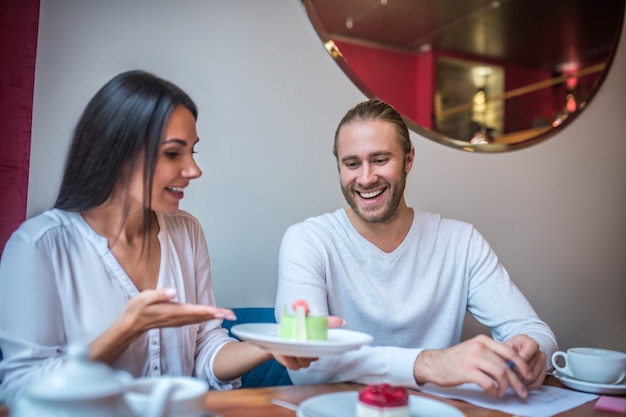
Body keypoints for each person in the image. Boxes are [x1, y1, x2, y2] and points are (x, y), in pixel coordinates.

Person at [0, 70, 315, 397]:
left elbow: (206, 349)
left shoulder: (187, 232)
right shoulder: (38, 246)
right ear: (116, 153)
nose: (194, 170)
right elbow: (22, 388)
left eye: (192, 151)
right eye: (172, 153)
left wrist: (275, 345)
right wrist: (129, 327)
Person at [275, 99, 558, 399]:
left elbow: (533, 329)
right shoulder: (308, 241)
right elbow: (304, 363)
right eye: (352, 163)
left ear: (408, 160)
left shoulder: (460, 242)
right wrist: (427, 364)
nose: (366, 177)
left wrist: (532, 349)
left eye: (381, 159)